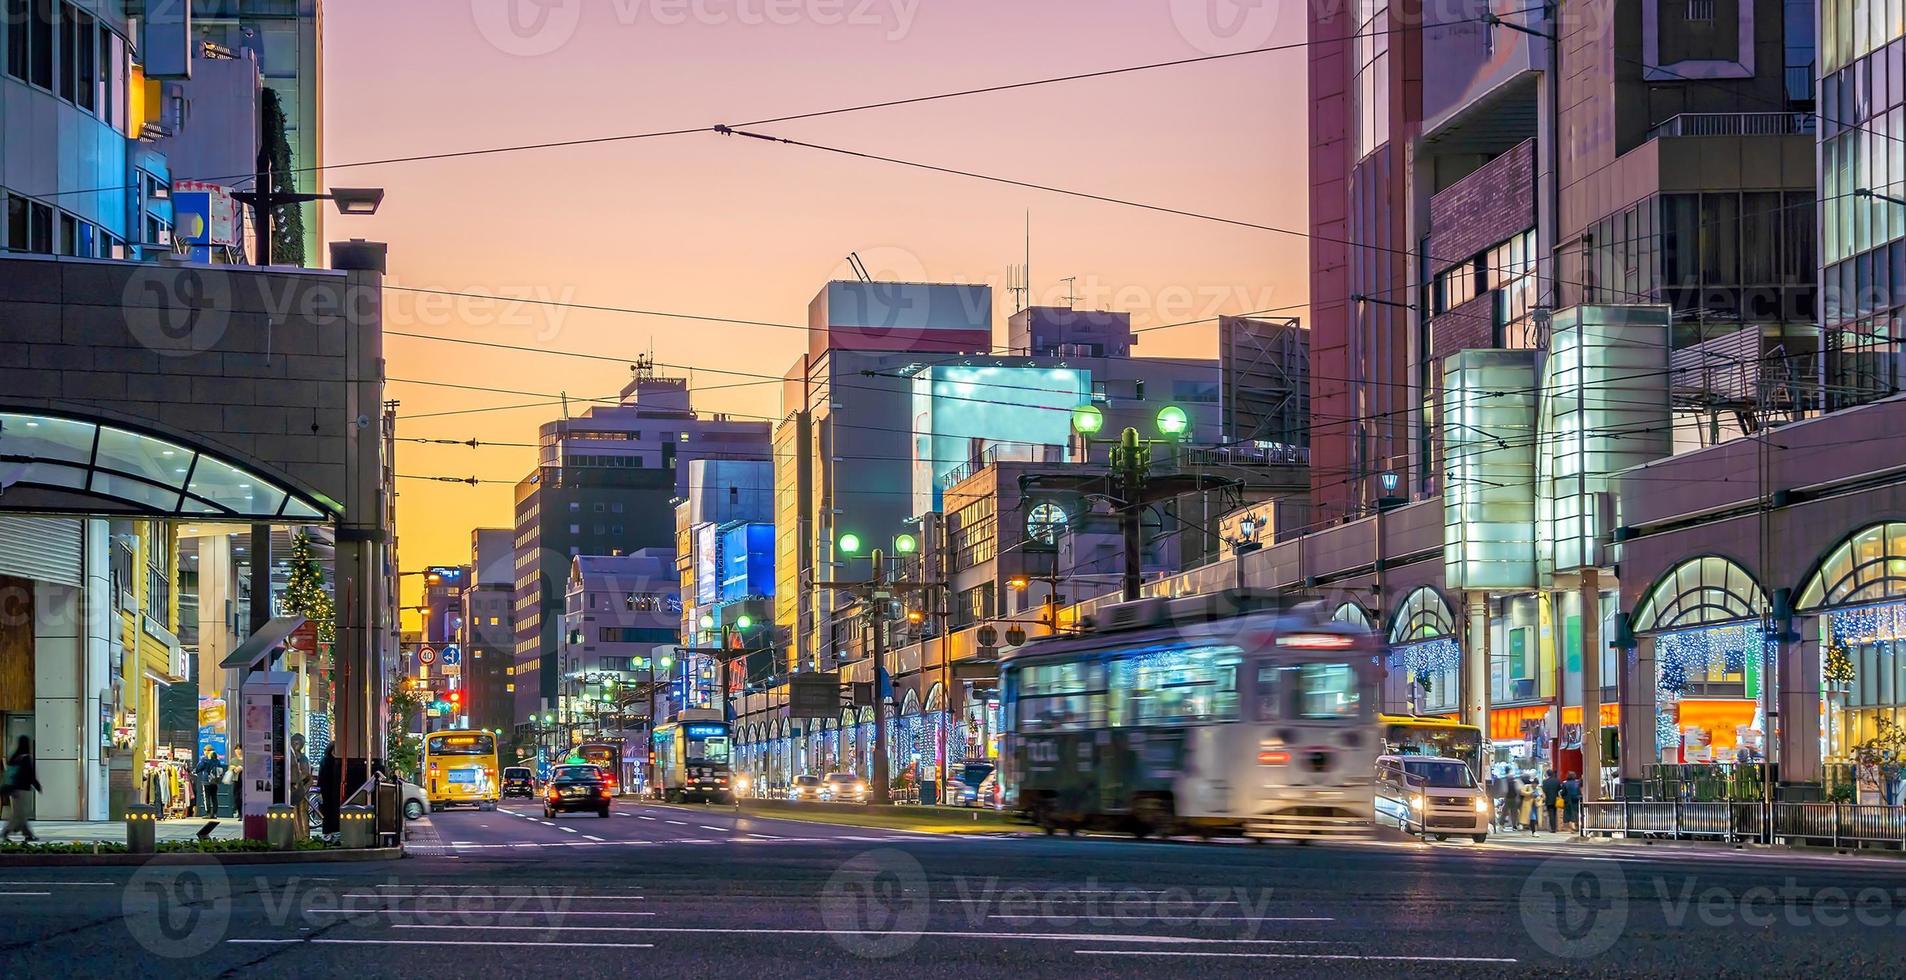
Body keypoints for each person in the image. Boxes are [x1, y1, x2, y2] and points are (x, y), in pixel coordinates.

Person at [3, 735, 41, 842]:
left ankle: (27, 834)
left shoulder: (14, 757)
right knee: (19, 814)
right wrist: (37, 786)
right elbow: (30, 775)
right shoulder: (26, 758)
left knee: (21, 813)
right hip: (23, 790)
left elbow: (10, 774)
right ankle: (6, 831)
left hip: (14, 789)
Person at [318, 743, 342, 835]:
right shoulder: (333, 761)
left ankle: (327, 831)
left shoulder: (325, 760)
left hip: (326, 790)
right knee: (331, 811)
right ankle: (332, 831)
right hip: (331, 789)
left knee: (326, 812)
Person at [195, 746, 224, 818]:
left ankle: (208, 813)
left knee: (207, 797)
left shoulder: (205, 760)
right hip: (215, 781)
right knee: (214, 797)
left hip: (206, 781)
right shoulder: (217, 760)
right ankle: (214, 814)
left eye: (205, 750)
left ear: (208, 751)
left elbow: (198, 769)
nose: (204, 752)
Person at [1541, 769, 1563, 833]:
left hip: (1548, 799)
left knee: (1550, 814)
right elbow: (1559, 789)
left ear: (1547, 774)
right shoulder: (1557, 781)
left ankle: (1553, 828)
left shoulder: (1545, 782)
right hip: (1556, 799)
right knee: (1555, 813)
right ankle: (1555, 827)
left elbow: (1544, 790)